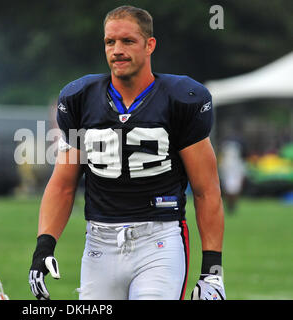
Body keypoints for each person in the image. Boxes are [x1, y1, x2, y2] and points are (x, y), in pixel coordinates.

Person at [29, 5, 225, 300]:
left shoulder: (181, 99)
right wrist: (44, 246)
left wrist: (212, 271)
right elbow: (63, 184)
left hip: (159, 240)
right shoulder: (80, 99)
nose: (117, 50)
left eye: (128, 41)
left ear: (149, 45)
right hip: (99, 243)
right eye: (110, 42)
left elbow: (206, 190)